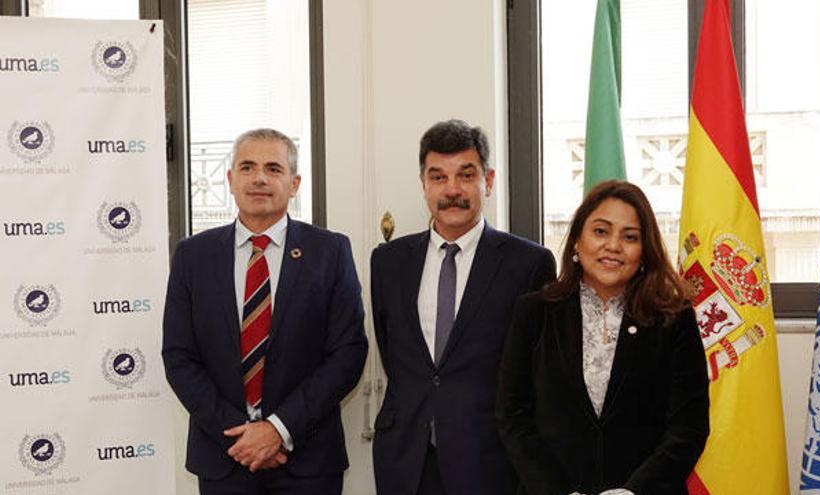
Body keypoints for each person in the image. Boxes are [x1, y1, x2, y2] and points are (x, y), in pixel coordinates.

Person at [162, 128, 367, 494]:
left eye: (273, 168)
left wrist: (278, 429)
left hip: (307, 460)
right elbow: (179, 357)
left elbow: (348, 353)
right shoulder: (193, 256)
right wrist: (242, 436)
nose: (259, 178)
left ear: (294, 183)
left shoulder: (330, 252)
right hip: (225, 455)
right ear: (230, 179)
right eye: (247, 167)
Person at [370, 119, 556, 495]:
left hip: (490, 460)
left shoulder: (529, 263)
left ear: (487, 181)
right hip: (406, 459)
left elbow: (536, 370)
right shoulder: (388, 261)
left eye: (465, 175)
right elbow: (395, 354)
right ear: (423, 184)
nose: (451, 189)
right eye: (437, 177)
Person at [496, 180, 709, 495]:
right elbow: (513, 417)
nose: (613, 245)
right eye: (600, 231)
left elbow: (688, 428)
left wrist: (633, 491)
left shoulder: (673, 319)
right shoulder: (535, 312)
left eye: (630, 237)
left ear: (644, 251)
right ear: (577, 243)